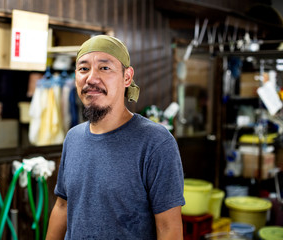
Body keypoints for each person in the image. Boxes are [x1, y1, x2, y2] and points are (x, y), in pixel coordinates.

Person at [46, 35, 185, 240]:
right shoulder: (73, 138)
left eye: (104, 68)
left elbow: (168, 228)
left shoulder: (156, 142)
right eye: (83, 68)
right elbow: (62, 206)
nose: (91, 78)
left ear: (127, 77)